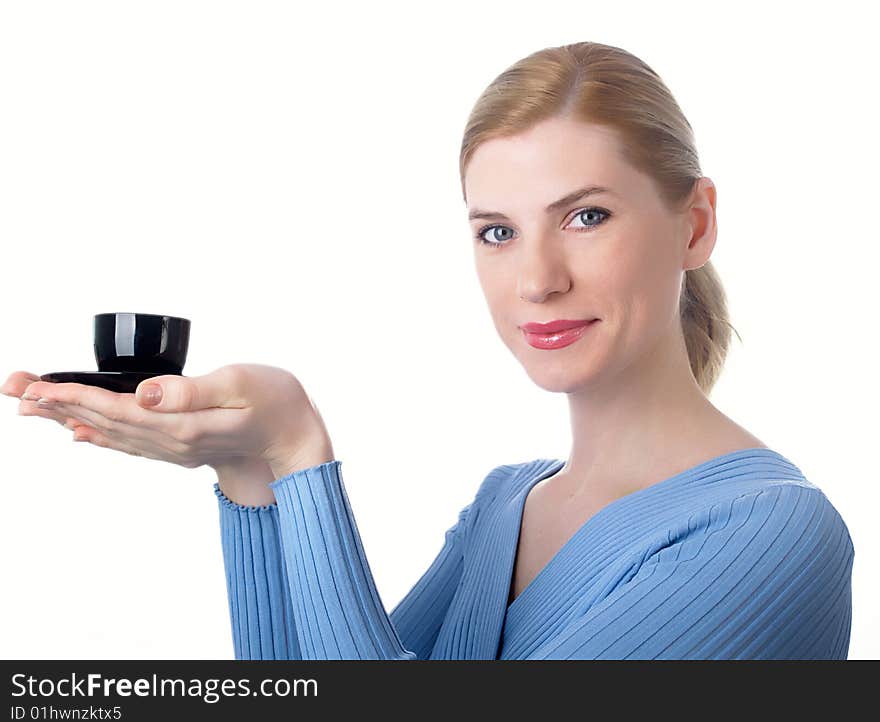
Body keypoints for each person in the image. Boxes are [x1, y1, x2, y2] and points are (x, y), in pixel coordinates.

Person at [4, 41, 854, 660]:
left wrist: (301, 450)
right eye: (497, 231)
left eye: (586, 216)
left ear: (694, 225)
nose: (536, 279)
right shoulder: (505, 506)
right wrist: (250, 474)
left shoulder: (775, 533)